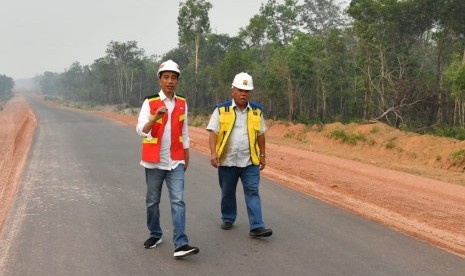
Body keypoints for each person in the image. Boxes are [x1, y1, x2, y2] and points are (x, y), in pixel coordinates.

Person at [136, 59, 199, 258]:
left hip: (176, 161)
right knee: (152, 201)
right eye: (166, 77)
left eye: (173, 78)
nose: (170, 81)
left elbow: (185, 131)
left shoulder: (182, 103)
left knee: (178, 201)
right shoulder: (150, 102)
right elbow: (141, 130)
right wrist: (154, 117)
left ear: (178, 81)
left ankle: (181, 243)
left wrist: (186, 155)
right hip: (154, 162)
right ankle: (155, 233)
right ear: (160, 80)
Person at [206, 72, 272, 238]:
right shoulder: (221, 110)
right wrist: (213, 153)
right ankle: (228, 217)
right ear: (233, 90)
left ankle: (257, 226)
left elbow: (261, 135)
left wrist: (263, 156)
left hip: (250, 161)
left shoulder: (257, 111)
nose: (244, 93)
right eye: (240, 90)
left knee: (252, 191)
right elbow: (213, 132)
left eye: (247, 91)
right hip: (228, 160)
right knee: (228, 191)